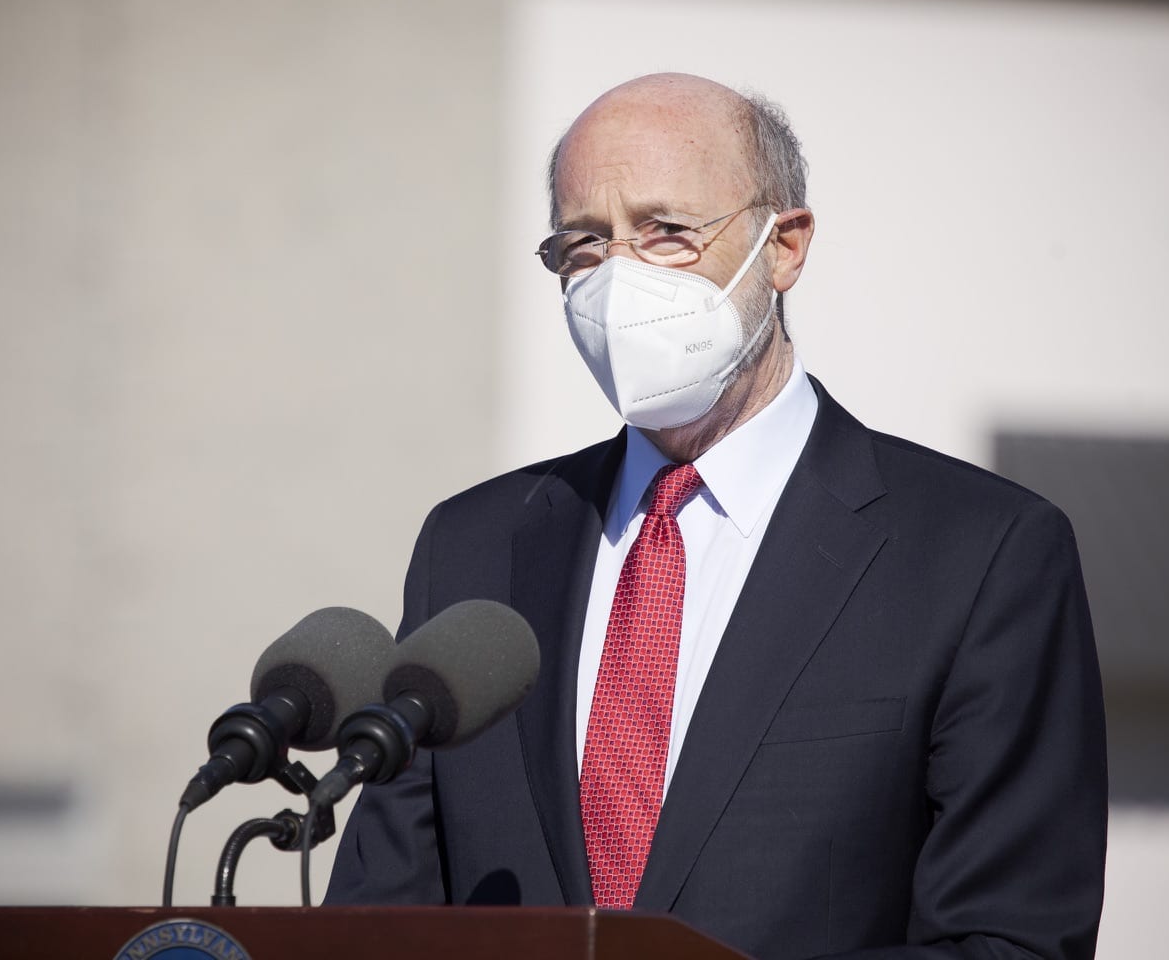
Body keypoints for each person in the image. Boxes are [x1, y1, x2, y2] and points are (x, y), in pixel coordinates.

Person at [325, 73, 1107, 960]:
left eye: (666, 232)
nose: (620, 277)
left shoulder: (979, 554)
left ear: (784, 246)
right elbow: (380, 921)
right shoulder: (474, 548)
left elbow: (1010, 942)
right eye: (585, 243)